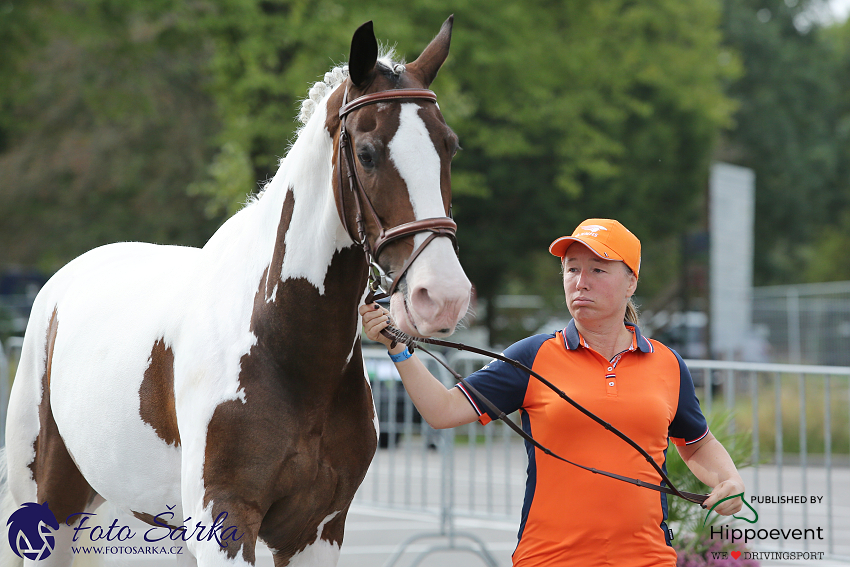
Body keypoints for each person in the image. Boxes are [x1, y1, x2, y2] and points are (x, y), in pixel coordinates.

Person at [360, 218, 745, 567]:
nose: (581, 281)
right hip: (549, 559)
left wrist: (729, 481)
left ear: (631, 282)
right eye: (572, 269)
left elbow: (696, 443)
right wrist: (400, 348)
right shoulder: (533, 356)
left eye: (598, 269)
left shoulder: (668, 364)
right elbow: (443, 410)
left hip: (647, 559)